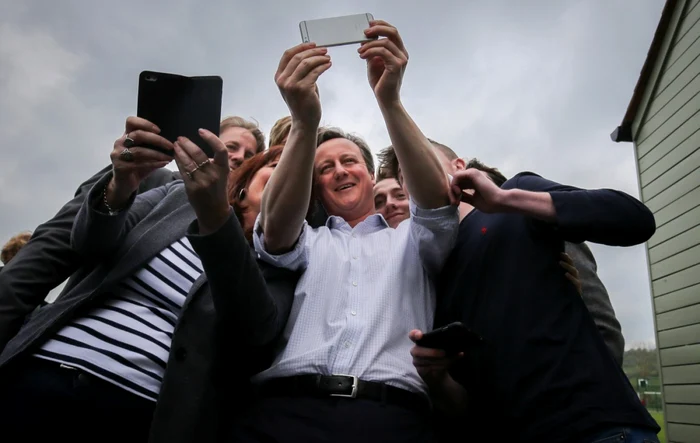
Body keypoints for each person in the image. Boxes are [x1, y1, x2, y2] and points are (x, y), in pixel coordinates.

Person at [0, 118, 298, 443]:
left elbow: (254, 332)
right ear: (247, 178)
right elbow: (84, 243)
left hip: (136, 403)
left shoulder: (274, 263)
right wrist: (120, 185)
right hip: (45, 369)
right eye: (276, 164)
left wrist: (217, 220)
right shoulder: (173, 195)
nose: (286, 176)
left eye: (299, 174)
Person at [236, 21, 459, 443]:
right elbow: (274, 229)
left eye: (350, 161)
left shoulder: (411, 238)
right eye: (325, 168)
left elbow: (437, 205)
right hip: (283, 414)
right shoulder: (309, 241)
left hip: (390, 417)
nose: (339, 170)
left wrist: (389, 99)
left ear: (372, 176)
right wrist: (304, 121)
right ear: (315, 187)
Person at [405, 159, 660, 441]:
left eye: (416, 162)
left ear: (458, 165)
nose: (416, 182)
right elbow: (465, 406)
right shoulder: (428, 277)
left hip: (595, 429)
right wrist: (436, 378)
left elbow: (635, 219)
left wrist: (506, 198)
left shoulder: (516, 198)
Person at [0, 117, 262, 353]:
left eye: (250, 155)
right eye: (230, 147)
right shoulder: (154, 180)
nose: (239, 157)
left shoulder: (241, 237)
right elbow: (50, 251)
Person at [378, 145, 625, 364]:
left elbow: (602, 326)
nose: (393, 203)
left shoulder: (525, 218)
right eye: (406, 178)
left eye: (399, 192)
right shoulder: (424, 264)